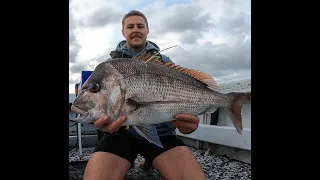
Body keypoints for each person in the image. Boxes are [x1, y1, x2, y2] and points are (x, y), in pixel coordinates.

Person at [83, 10, 206, 180]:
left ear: (147, 30)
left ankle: (150, 160)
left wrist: (190, 126)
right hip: (121, 135)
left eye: (140, 26)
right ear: (123, 32)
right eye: (130, 26)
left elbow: (184, 96)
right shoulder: (108, 67)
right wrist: (105, 127)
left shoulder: (165, 63)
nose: (136, 30)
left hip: (163, 134)